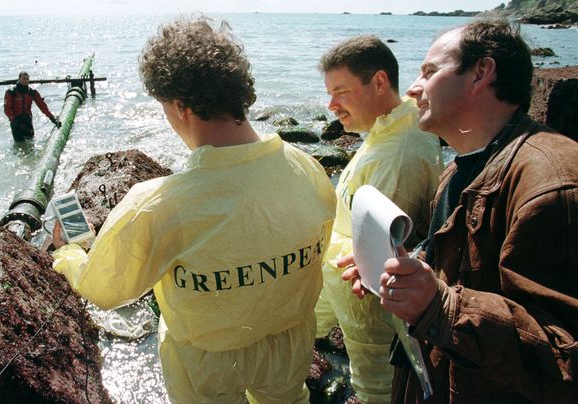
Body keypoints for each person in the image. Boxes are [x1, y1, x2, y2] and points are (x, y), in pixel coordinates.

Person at [51, 17, 337, 403]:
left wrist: (69, 254)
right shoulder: (307, 168)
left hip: (206, 360)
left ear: (181, 106)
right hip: (289, 344)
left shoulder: (158, 204)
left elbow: (104, 290)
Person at [340, 19, 578, 403]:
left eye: (430, 72)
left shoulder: (552, 182)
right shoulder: (462, 166)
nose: (414, 88)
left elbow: (565, 357)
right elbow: (463, 264)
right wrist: (393, 261)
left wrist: (438, 304)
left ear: (481, 73)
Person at [313, 36, 443, 403]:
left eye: (341, 92)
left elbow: (377, 259)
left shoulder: (398, 154)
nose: (331, 105)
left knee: (376, 387)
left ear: (380, 82)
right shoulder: (392, 127)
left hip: (367, 306)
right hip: (336, 277)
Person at [3, 71, 61, 142]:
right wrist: (14, 121)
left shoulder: (32, 92)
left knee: (31, 143)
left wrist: (53, 119)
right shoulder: (11, 92)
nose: (26, 81)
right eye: (24, 79)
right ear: (19, 79)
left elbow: (42, 106)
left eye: (27, 79)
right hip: (16, 122)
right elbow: (7, 109)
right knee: (19, 144)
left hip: (27, 120)